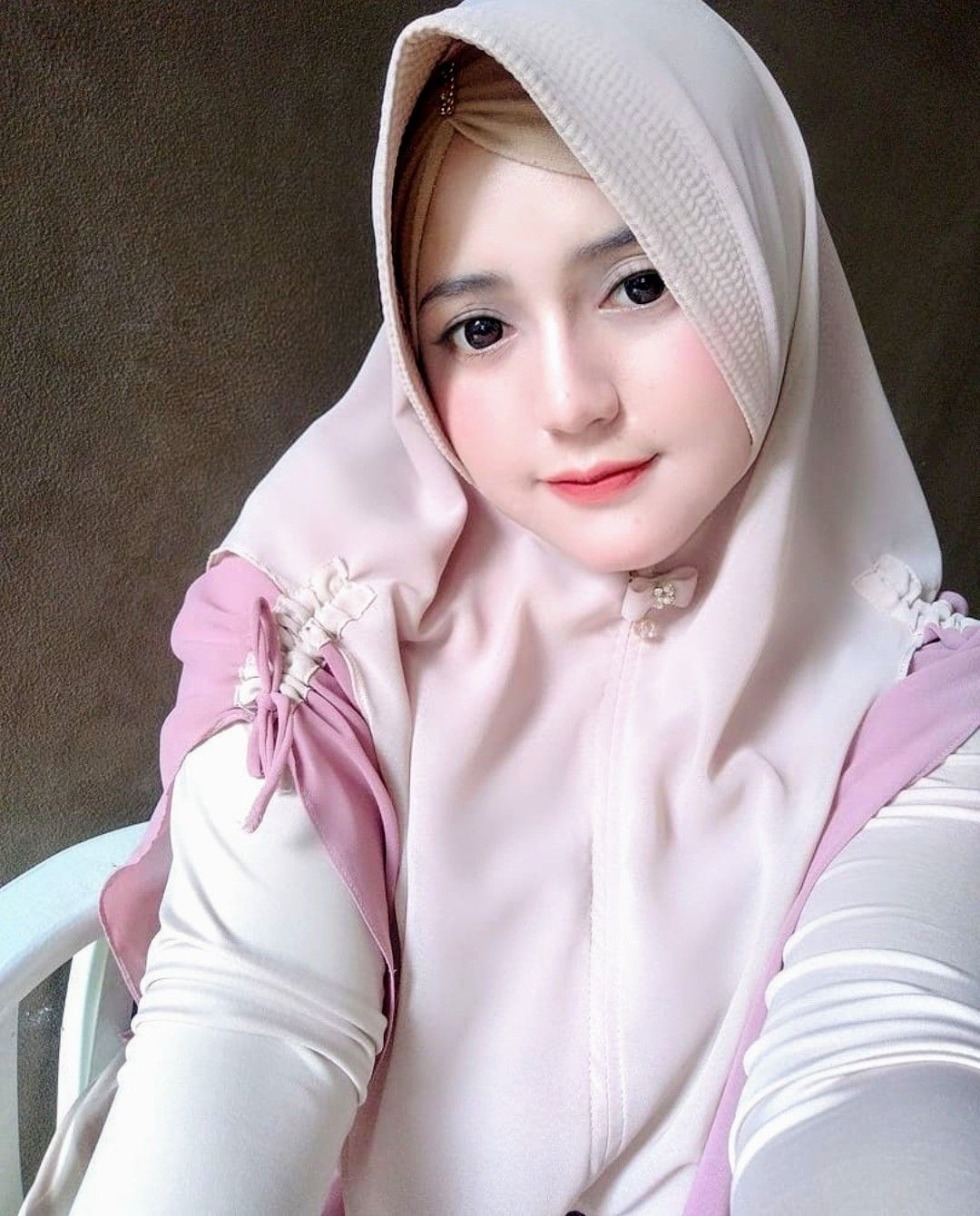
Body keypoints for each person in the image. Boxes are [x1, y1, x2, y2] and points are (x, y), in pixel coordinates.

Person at [23, 0, 980, 1213]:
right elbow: (252, 1014)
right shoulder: (318, 626)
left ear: (761, 258)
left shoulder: (914, 708)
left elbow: (876, 1052)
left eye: (638, 284)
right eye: (477, 327)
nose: (571, 401)